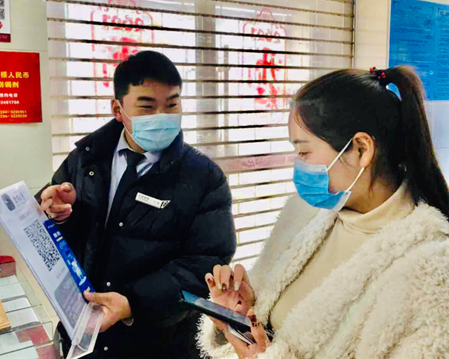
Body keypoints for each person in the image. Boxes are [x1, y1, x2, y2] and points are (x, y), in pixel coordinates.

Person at [197, 67, 449, 358]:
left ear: (361, 149)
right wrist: (243, 313)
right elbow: (269, 332)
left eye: (304, 152)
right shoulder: (302, 214)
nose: (298, 164)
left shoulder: (433, 273)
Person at [38, 51, 236, 358]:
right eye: (147, 106)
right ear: (118, 109)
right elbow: (56, 233)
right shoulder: (86, 159)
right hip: (83, 333)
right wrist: (58, 213)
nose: (162, 116)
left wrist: (133, 303)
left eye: (172, 105)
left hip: (160, 342)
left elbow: (205, 265)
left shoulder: (204, 178)